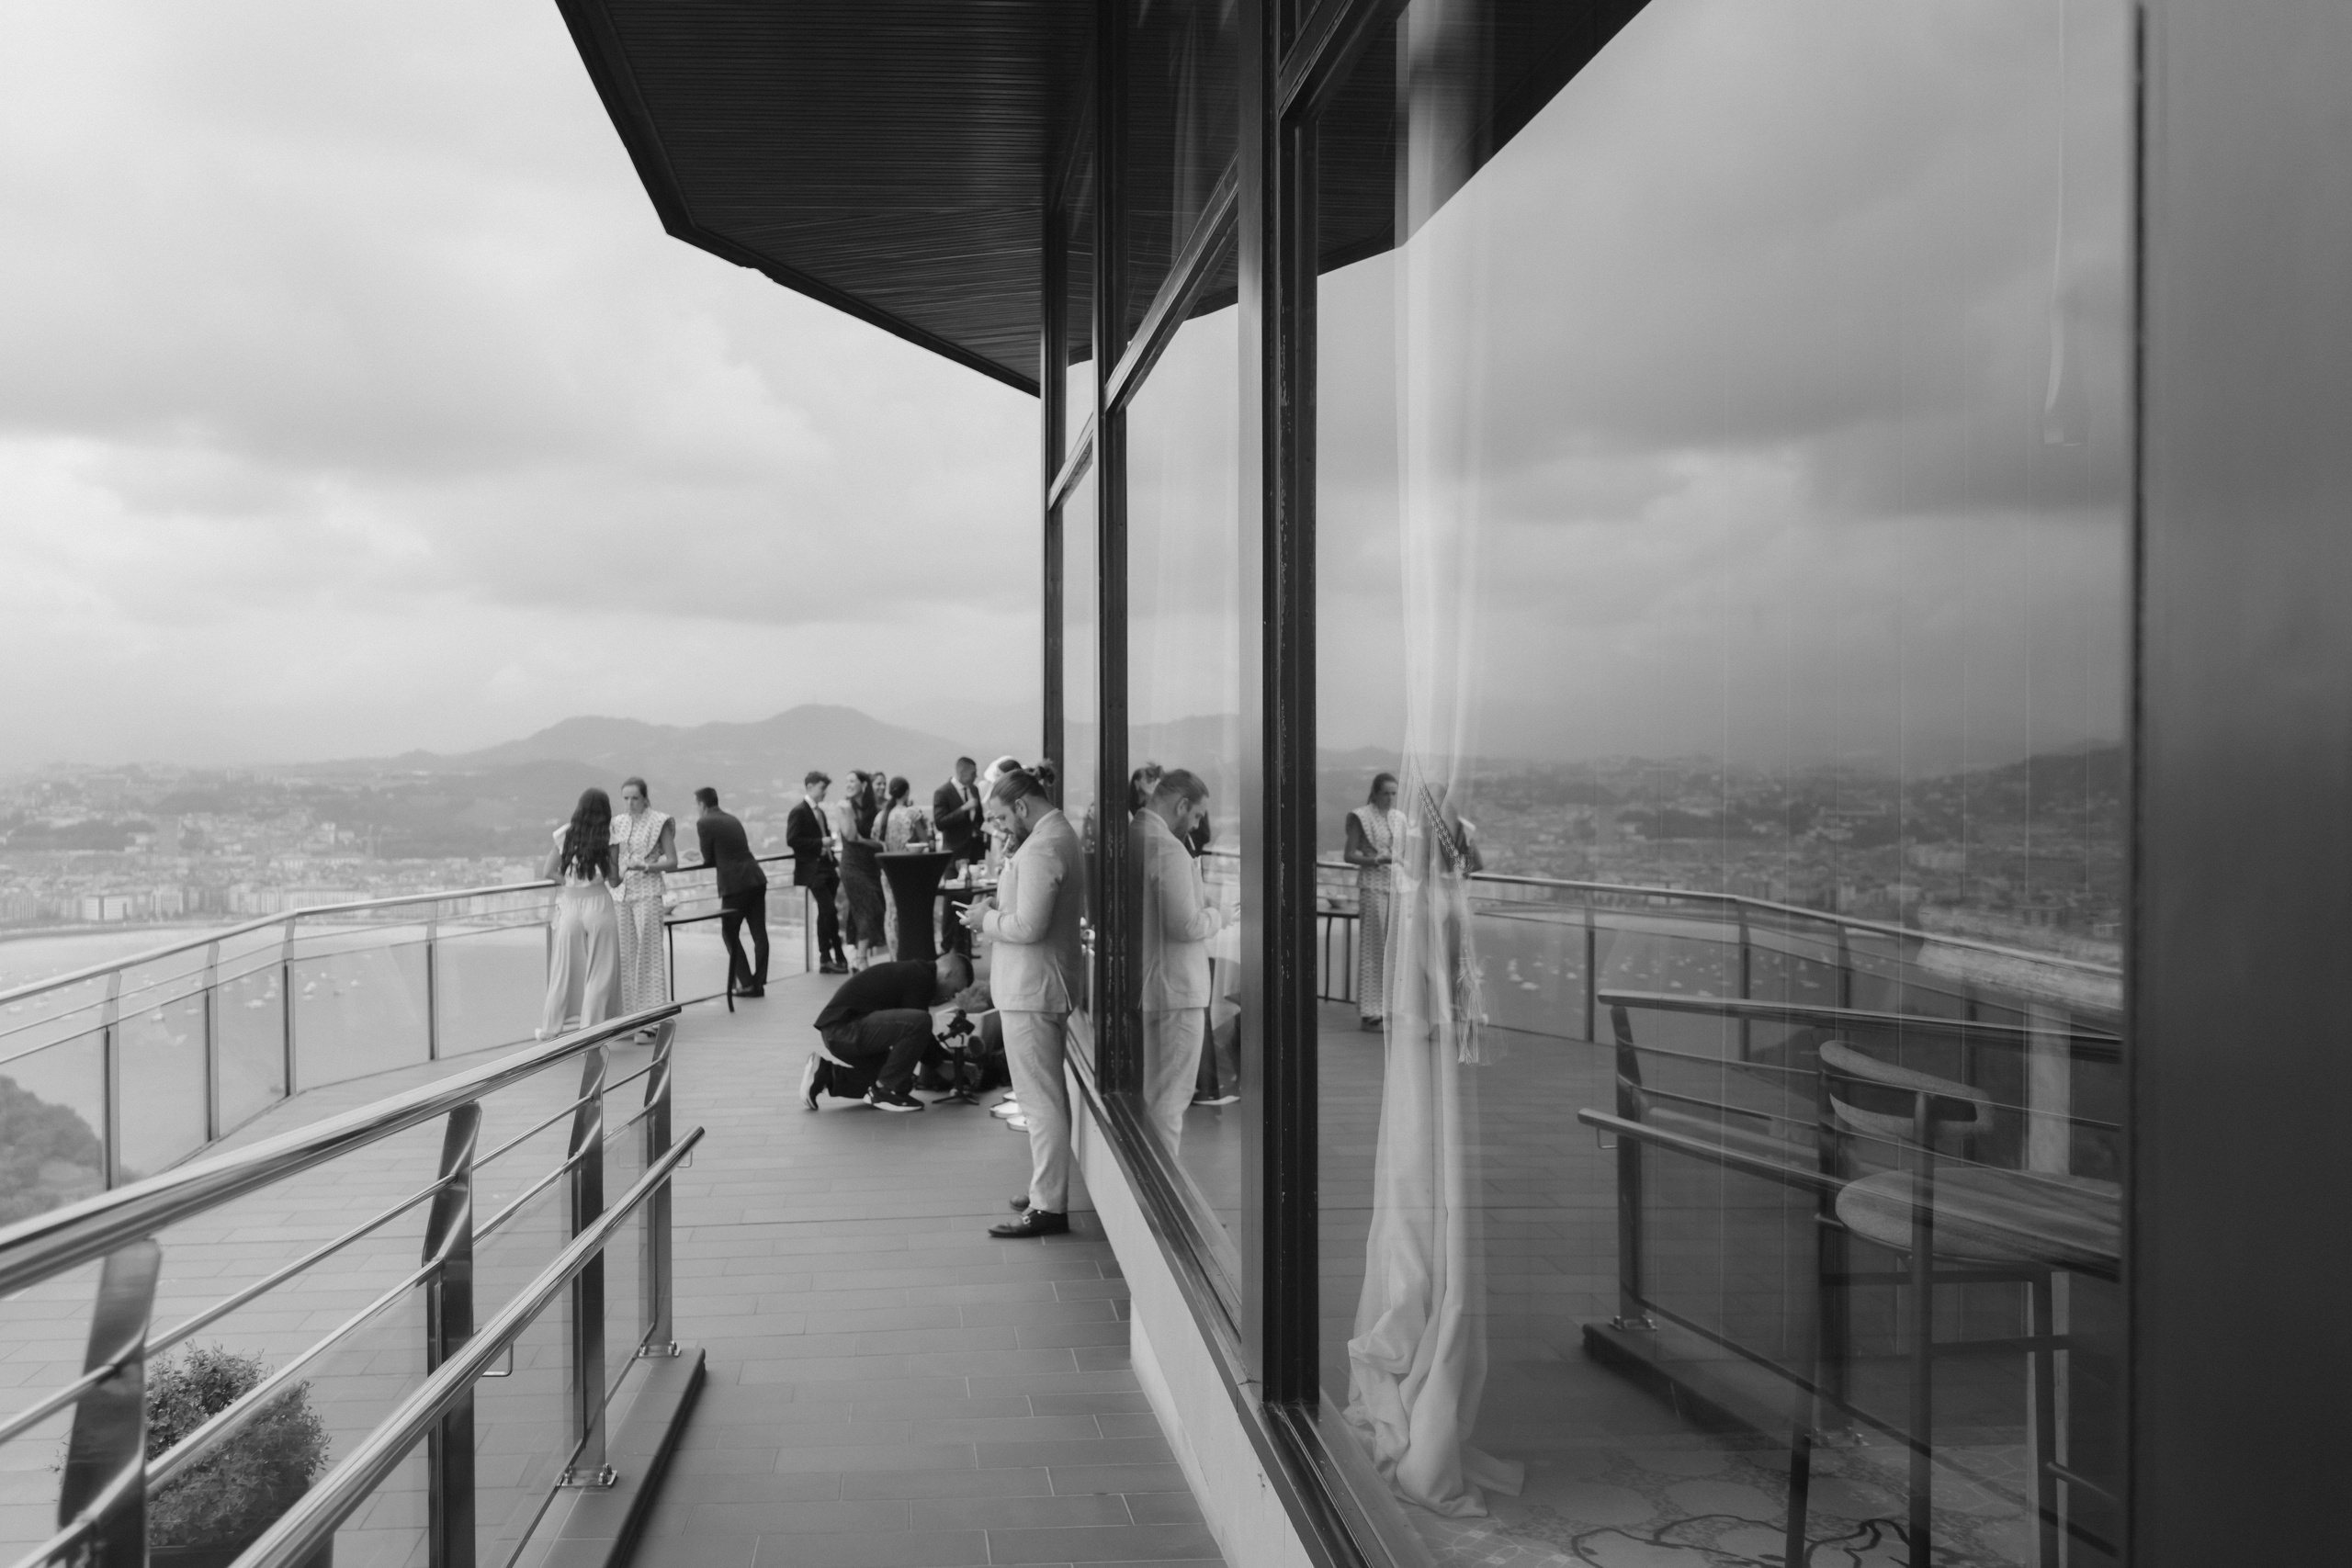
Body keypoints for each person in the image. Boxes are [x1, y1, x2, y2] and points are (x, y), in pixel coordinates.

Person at [960, 768, 1087, 1238]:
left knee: (1041, 1100)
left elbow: (1029, 928)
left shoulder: (1044, 846)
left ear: (1021, 805)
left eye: (999, 817)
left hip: (1033, 989)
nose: (998, 827)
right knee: (1041, 1098)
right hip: (1035, 987)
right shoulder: (1050, 836)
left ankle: (1049, 1206)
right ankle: (1043, 1192)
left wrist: (985, 919)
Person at [1136, 769, 1224, 1151]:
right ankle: (1161, 1197)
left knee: (1155, 1094)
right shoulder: (1167, 848)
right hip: (1177, 989)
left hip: (1150, 985)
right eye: (1198, 815)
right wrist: (1220, 915)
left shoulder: (1134, 833)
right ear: (1182, 805)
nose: (1198, 823)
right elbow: (1185, 925)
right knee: (1171, 1099)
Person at [799, 951, 973, 1112]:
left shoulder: (919, 974)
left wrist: (950, 1064)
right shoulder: (921, 977)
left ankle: (824, 1074)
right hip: (843, 1030)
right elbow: (920, 1029)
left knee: (897, 1077)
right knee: (920, 1023)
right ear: (950, 974)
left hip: (839, 1032)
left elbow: (922, 1038)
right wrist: (941, 1065)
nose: (951, 997)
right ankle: (886, 1092)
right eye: (955, 990)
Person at [537, 787, 622, 1040]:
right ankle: (591, 1030)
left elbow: (548, 871)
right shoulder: (610, 837)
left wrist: (571, 882)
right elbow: (615, 880)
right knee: (601, 971)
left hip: (572, 906)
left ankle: (550, 1029)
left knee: (562, 970)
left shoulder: (565, 835)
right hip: (599, 903)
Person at [611, 776, 677, 1029]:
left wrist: (647, 866)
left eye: (635, 798)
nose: (630, 803)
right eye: (626, 798)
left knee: (649, 954)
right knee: (626, 957)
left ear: (645, 798)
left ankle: (653, 1018)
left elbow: (672, 862)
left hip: (648, 892)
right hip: (622, 894)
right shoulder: (617, 823)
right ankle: (630, 1018)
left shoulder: (658, 821)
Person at [695, 786, 767, 997]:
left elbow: (708, 857)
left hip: (735, 884)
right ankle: (759, 982)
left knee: (729, 932)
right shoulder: (733, 818)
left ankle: (746, 983)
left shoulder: (704, 822)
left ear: (702, 805)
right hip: (756, 877)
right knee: (759, 933)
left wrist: (696, 858)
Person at [1344, 772, 1404, 1030]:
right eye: (1386, 793)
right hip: (1372, 887)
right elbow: (1349, 855)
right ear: (1375, 793)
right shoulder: (1362, 816)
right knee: (1372, 949)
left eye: (1394, 793)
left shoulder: (1399, 818)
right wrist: (1377, 860)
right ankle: (1370, 1010)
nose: (1390, 798)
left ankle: (1390, 1007)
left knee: (1394, 950)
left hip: (1397, 888)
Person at [787, 771, 847, 973]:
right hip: (815, 870)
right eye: (822, 788)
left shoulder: (818, 812)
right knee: (829, 912)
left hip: (826, 867)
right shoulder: (799, 812)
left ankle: (825, 958)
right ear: (810, 786)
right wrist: (820, 843)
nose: (824, 793)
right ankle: (837, 954)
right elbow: (793, 840)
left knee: (825, 913)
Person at [834, 770, 888, 969]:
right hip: (852, 865)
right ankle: (861, 958)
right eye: (846, 781)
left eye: (852, 781)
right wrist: (877, 844)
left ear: (863, 785)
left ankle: (858, 954)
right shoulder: (843, 806)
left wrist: (874, 842)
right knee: (868, 908)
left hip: (870, 865)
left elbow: (876, 833)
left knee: (864, 910)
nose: (848, 784)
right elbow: (850, 835)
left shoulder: (872, 808)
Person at [933, 756, 983, 864]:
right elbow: (940, 823)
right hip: (954, 854)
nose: (976, 776)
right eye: (973, 773)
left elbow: (979, 820)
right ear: (962, 773)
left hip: (975, 852)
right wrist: (963, 809)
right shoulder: (942, 793)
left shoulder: (974, 789)